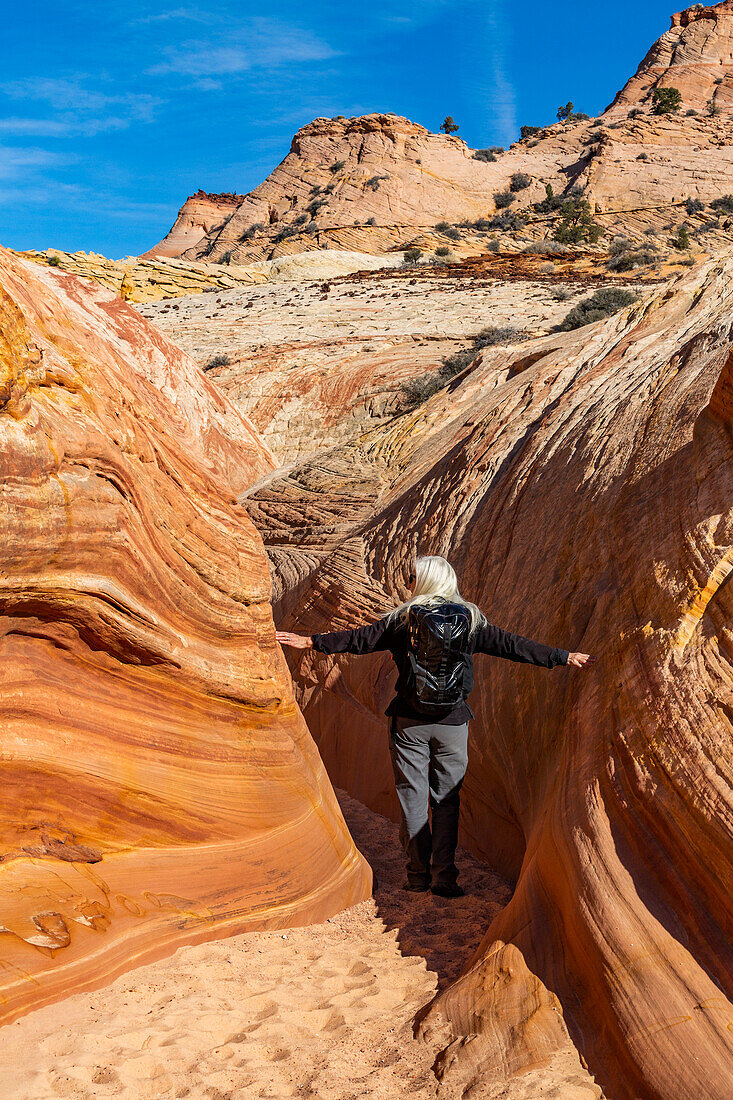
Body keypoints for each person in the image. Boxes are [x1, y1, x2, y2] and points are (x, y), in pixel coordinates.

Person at [276, 555, 596, 898]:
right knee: (447, 800)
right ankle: (445, 878)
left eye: (411, 577)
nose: (407, 583)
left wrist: (312, 641)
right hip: (453, 723)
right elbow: (513, 646)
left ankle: (417, 877)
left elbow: (360, 640)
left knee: (413, 800)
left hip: (409, 723)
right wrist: (563, 657)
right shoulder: (471, 619)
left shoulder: (403, 620)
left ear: (425, 580)